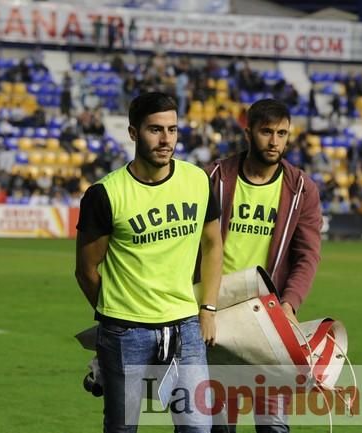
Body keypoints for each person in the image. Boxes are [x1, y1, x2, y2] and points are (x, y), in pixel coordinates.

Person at [75, 92, 223, 433]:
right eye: (155, 130)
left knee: (198, 427)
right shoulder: (105, 194)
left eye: (172, 130)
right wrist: (115, 316)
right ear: (133, 133)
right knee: (123, 428)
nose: (166, 139)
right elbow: (85, 269)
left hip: (186, 327)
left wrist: (208, 308)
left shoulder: (198, 180)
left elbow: (214, 246)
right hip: (126, 331)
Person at [206, 99, 322, 433]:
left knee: (272, 425)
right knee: (216, 424)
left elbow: (307, 255)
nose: (274, 141)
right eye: (266, 132)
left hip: (269, 320)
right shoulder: (213, 179)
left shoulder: (301, 190)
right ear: (248, 133)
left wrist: (290, 303)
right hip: (216, 314)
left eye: (282, 133)